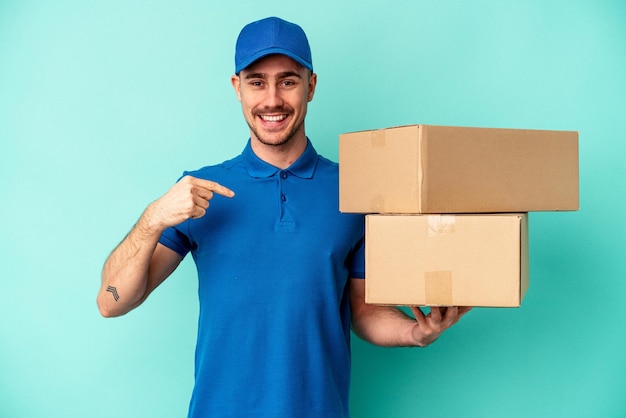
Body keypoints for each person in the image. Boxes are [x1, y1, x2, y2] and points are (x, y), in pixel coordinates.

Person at [97, 16, 471, 418]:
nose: (272, 99)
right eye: (257, 81)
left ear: (310, 86)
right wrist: (152, 219)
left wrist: (415, 332)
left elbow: (363, 311)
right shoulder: (197, 191)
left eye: (288, 81)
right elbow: (112, 302)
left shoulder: (355, 192)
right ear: (237, 88)